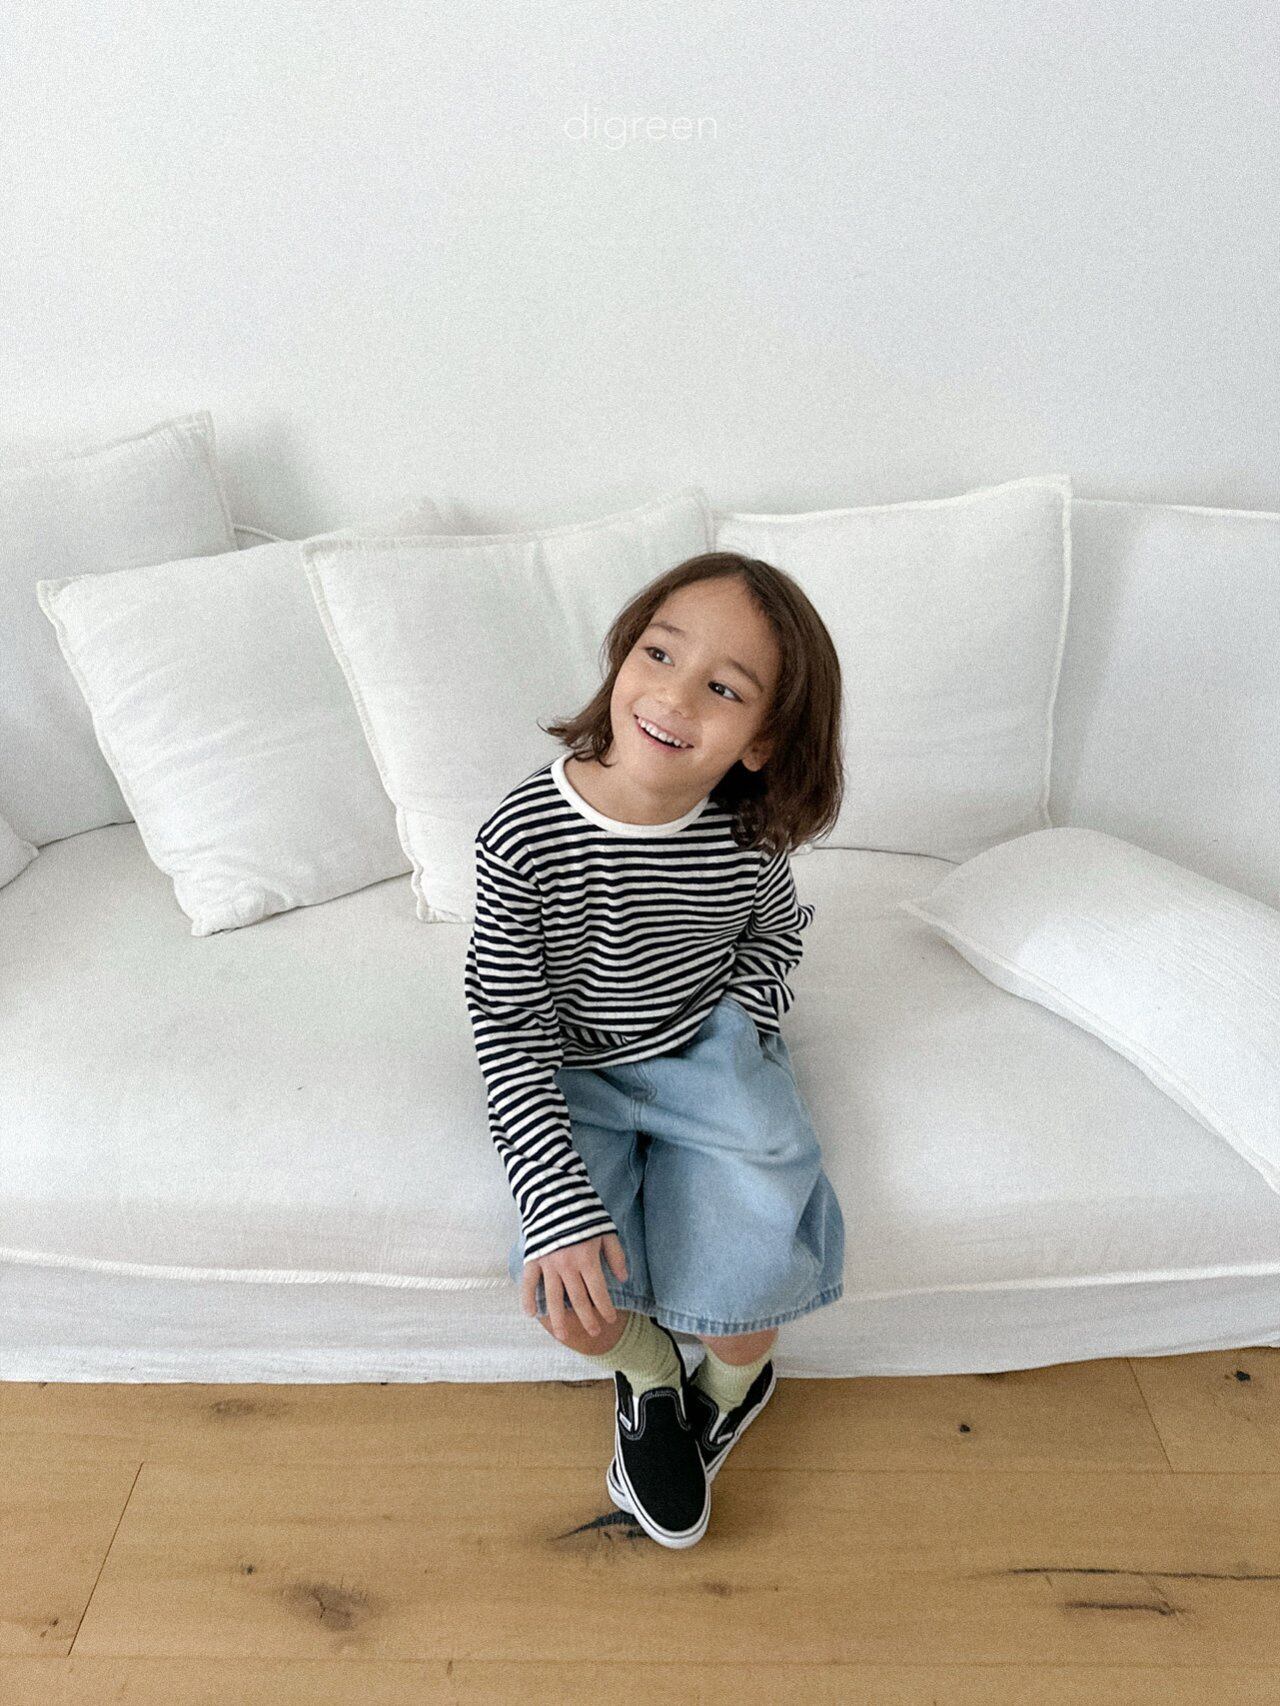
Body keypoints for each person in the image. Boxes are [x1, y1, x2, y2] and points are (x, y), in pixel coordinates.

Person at [463, 548, 847, 1547]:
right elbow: (506, 1024)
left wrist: (746, 1022)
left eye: (724, 688)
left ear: (761, 741)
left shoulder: (745, 836)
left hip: (701, 1048)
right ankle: (648, 1375)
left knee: (751, 1281)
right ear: (623, 656)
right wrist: (555, 1201)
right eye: (660, 655)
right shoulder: (522, 835)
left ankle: (731, 1386)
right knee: (567, 1296)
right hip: (569, 1065)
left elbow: (772, 934)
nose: (674, 696)